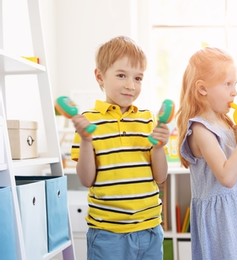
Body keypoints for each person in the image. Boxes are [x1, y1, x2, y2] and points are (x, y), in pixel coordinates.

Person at [69, 36, 169, 260]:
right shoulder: (87, 122)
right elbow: (86, 180)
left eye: (138, 78)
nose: (130, 85)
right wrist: (86, 141)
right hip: (107, 234)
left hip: (149, 230)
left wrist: (159, 147)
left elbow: (160, 177)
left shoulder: (148, 120)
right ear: (100, 76)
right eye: (121, 75)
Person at [176, 47, 237, 260]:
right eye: (227, 84)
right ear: (202, 89)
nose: (234, 92)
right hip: (221, 222)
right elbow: (227, 177)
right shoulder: (200, 130)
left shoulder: (228, 125)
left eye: (235, 84)